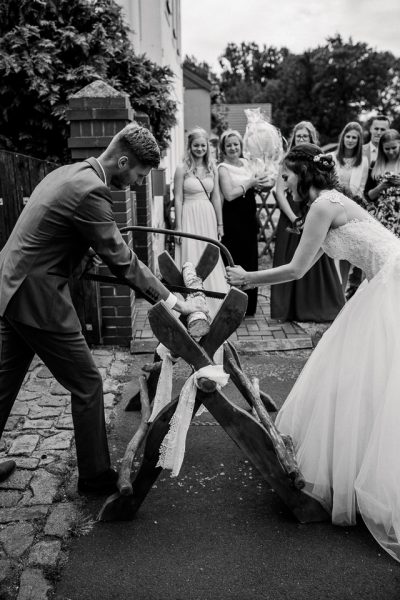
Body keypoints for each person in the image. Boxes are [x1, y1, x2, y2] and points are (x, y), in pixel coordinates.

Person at [0, 123, 205, 494]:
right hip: (37, 297)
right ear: (123, 161)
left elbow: (56, 236)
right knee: (88, 383)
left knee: (4, 382)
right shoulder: (91, 191)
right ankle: (95, 477)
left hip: (9, 286)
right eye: (139, 175)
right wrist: (177, 303)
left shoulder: (69, 173)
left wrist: (87, 253)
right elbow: (124, 260)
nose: (139, 183)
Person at [226, 142, 400, 563]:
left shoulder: (323, 205)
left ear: (304, 174)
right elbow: (362, 248)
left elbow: (297, 269)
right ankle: (359, 466)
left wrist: (247, 277)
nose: (283, 184)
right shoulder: (328, 203)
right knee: (365, 372)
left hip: (390, 282)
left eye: (286, 176)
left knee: (377, 371)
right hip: (382, 279)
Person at [271, 121, 344, 321]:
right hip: (292, 210)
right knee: (291, 257)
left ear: (311, 139)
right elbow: (279, 191)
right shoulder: (287, 161)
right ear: (294, 138)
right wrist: (294, 218)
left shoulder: (318, 163)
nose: (301, 139)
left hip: (312, 207)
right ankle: (290, 307)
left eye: (305, 136)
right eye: (299, 136)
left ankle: (316, 305)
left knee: (316, 256)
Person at [174, 127, 228, 319]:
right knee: (191, 256)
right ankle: (190, 305)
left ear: (208, 147)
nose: (199, 149)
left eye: (203, 145)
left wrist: (220, 224)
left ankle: (213, 304)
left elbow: (216, 198)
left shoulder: (213, 168)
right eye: (196, 145)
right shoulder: (182, 169)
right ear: (190, 146)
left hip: (207, 216)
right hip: (188, 215)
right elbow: (178, 198)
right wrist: (178, 227)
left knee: (209, 255)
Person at [218, 129, 270, 316]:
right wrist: (250, 183)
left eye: (236, 144)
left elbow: (259, 185)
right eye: (229, 145)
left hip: (249, 216)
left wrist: (264, 181)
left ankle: (249, 305)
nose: (233, 148)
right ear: (223, 148)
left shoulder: (248, 163)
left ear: (241, 146)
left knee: (250, 260)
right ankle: (233, 305)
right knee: (234, 259)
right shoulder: (222, 168)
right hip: (233, 218)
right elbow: (229, 194)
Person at [330, 122, 369, 297]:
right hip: (332, 206)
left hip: (351, 209)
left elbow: (360, 189)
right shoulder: (332, 157)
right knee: (332, 253)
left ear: (359, 141)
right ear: (343, 137)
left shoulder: (363, 162)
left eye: (354, 138)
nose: (351, 140)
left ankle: (343, 291)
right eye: (348, 136)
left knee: (347, 253)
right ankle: (333, 292)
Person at [364, 129, 400, 236]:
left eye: (394, 148)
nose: (391, 152)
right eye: (387, 149)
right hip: (382, 217)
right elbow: (369, 196)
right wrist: (380, 187)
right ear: (381, 148)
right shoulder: (375, 165)